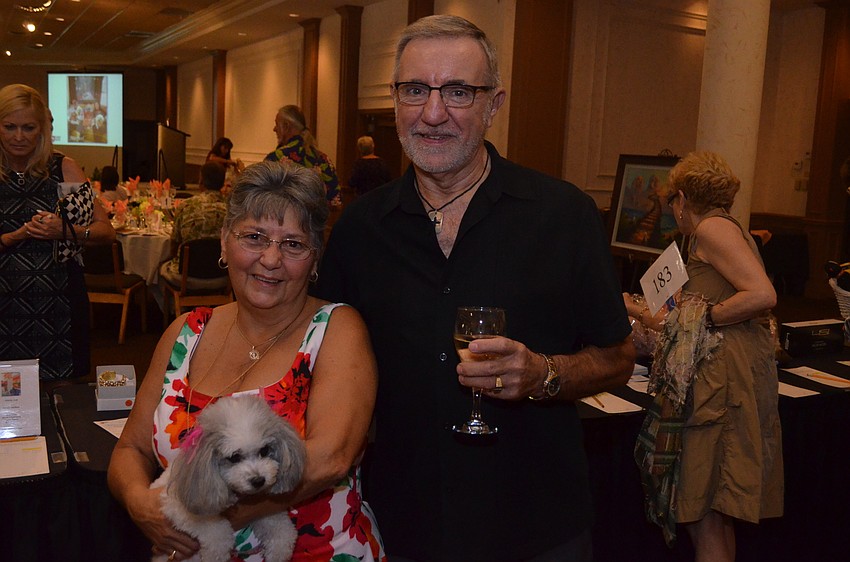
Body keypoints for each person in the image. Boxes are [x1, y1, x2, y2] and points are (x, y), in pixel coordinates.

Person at [313, 15, 634, 562]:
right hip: (398, 522)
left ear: (494, 104)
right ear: (395, 100)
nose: (433, 113)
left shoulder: (564, 216)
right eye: (416, 90)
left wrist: (544, 375)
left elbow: (617, 357)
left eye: (458, 92)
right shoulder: (360, 231)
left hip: (534, 525)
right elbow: (322, 364)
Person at [108, 160, 386, 562]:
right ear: (224, 241)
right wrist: (140, 503)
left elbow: (331, 458)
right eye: (254, 237)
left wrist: (201, 518)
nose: (271, 259)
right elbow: (131, 448)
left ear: (314, 258)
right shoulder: (185, 332)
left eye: (293, 244)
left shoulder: (336, 330)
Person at [629, 151, 783, 562]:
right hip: (725, 371)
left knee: (705, 509)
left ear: (682, 198)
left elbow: (763, 295)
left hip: (722, 380)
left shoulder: (712, 228)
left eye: (671, 204)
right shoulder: (714, 229)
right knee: (712, 511)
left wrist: (709, 317)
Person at [0, 84, 115, 381]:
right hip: (5, 306)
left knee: (63, 394)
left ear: (42, 129)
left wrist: (66, 231)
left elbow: (105, 232)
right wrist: (17, 236)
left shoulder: (63, 168)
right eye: (9, 127)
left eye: (28, 127)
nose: (19, 136)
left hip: (59, 304)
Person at [158, 161, 228, 287]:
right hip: (222, 276)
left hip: (187, 277)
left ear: (201, 181)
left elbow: (174, 246)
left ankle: (175, 306)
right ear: (223, 183)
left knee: (159, 269)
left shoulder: (186, 206)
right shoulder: (232, 210)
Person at [265, 105, 341, 206]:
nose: (274, 129)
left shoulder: (276, 158)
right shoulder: (323, 159)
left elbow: (264, 200)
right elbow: (336, 200)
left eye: (276, 124)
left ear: (286, 126)